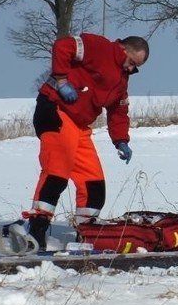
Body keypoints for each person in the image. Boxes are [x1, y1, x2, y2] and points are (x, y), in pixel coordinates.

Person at [22, 32, 149, 250]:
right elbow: (63, 45)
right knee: (57, 172)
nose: (130, 69)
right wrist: (61, 80)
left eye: (135, 68)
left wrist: (120, 140)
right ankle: (37, 229)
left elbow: (119, 110)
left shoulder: (121, 80)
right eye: (131, 63)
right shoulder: (99, 47)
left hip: (80, 126)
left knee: (94, 182)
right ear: (123, 49)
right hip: (56, 110)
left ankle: (87, 233)